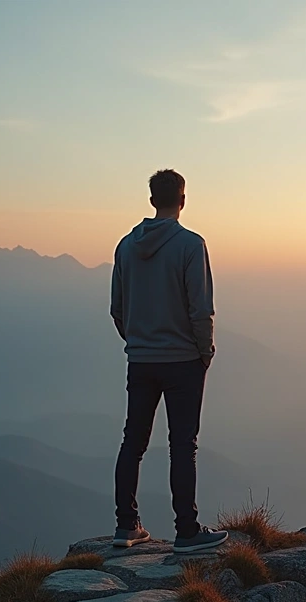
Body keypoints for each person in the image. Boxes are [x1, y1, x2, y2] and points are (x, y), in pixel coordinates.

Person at [109, 169, 229, 553]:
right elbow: (201, 308)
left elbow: (117, 308)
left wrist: (139, 342)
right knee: (182, 446)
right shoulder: (191, 245)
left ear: (151, 200)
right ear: (183, 199)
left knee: (133, 441)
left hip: (141, 360)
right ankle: (187, 531)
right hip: (183, 361)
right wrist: (204, 352)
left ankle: (126, 526)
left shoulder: (126, 247)